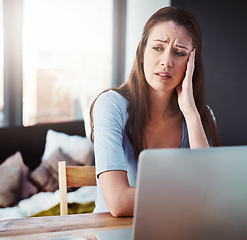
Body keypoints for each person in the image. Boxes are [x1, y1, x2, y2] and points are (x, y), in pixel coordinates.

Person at [89, 6, 221, 217]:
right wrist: (195, 195)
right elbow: (118, 201)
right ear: (142, 53)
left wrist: (191, 113)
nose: (166, 62)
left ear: (191, 64)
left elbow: (212, 193)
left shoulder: (201, 115)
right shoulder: (111, 105)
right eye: (158, 48)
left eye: (179, 53)